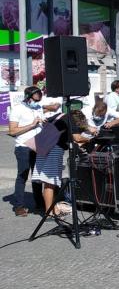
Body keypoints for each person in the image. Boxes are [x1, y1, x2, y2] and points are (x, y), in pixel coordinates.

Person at [32, 110, 87, 218]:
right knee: (50, 182)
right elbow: (77, 138)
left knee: (48, 182)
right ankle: (49, 213)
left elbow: (45, 122)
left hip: (42, 147)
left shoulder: (60, 115)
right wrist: (88, 139)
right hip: (53, 149)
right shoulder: (70, 119)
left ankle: (53, 209)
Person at [8, 86, 45, 217]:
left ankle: (39, 203)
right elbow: (12, 131)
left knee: (37, 177)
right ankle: (18, 206)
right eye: (37, 96)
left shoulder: (38, 108)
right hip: (23, 147)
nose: (39, 98)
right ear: (29, 96)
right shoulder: (18, 109)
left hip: (38, 146)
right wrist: (32, 125)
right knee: (22, 176)